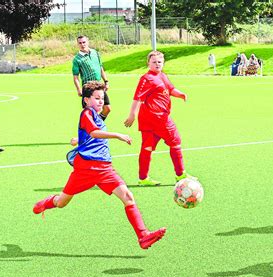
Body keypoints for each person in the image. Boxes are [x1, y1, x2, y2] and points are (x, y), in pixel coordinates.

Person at [32, 82, 166, 250]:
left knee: (128, 197)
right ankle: (49, 202)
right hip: (85, 169)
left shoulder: (96, 115)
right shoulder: (86, 113)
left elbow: (89, 135)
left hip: (105, 169)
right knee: (62, 202)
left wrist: (78, 139)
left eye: (102, 98)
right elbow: (94, 132)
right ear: (87, 100)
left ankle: (143, 235)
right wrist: (118, 135)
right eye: (96, 98)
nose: (100, 101)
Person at [124, 50, 196, 186]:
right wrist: (132, 114)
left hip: (148, 120)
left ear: (163, 63)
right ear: (148, 63)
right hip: (158, 118)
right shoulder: (146, 78)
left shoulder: (162, 76)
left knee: (147, 147)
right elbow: (137, 98)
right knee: (175, 141)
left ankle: (143, 178)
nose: (157, 64)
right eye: (154, 62)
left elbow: (170, 89)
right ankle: (180, 175)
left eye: (159, 62)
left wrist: (180, 94)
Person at [72, 35, 110, 120]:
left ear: (87, 42)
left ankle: (96, 125)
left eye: (84, 42)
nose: (82, 44)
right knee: (89, 112)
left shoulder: (95, 53)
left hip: (99, 86)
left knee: (107, 109)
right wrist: (79, 89)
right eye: (80, 43)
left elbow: (101, 68)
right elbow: (75, 77)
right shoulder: (77, 59)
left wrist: (106, 82)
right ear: (77, 44)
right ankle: (89, 130)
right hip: (88, 87)